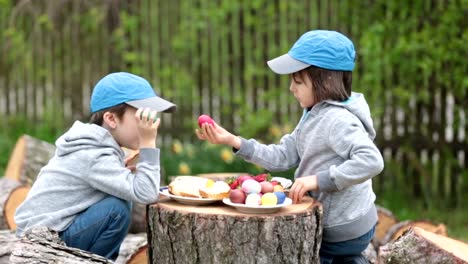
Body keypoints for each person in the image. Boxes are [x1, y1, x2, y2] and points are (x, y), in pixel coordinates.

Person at [196, 30, 384, 263]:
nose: (291, 88)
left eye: (298, 81)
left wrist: (318, 180)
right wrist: (234, 141)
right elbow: (284, 155)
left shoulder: (339, 120)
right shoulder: (315, 113)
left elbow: (372, 160)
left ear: (324, 81)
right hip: (336, 222)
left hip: (342, 227)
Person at [15, 72, 176, 261]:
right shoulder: (94, 154)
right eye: (143, 117)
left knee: (118, 202)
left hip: (47, 232)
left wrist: (122, 172)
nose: (151, 125)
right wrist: (148, 143)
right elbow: (146, 193)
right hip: (42, 244)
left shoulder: (94, 146)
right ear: (111, 119)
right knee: (117, 209)